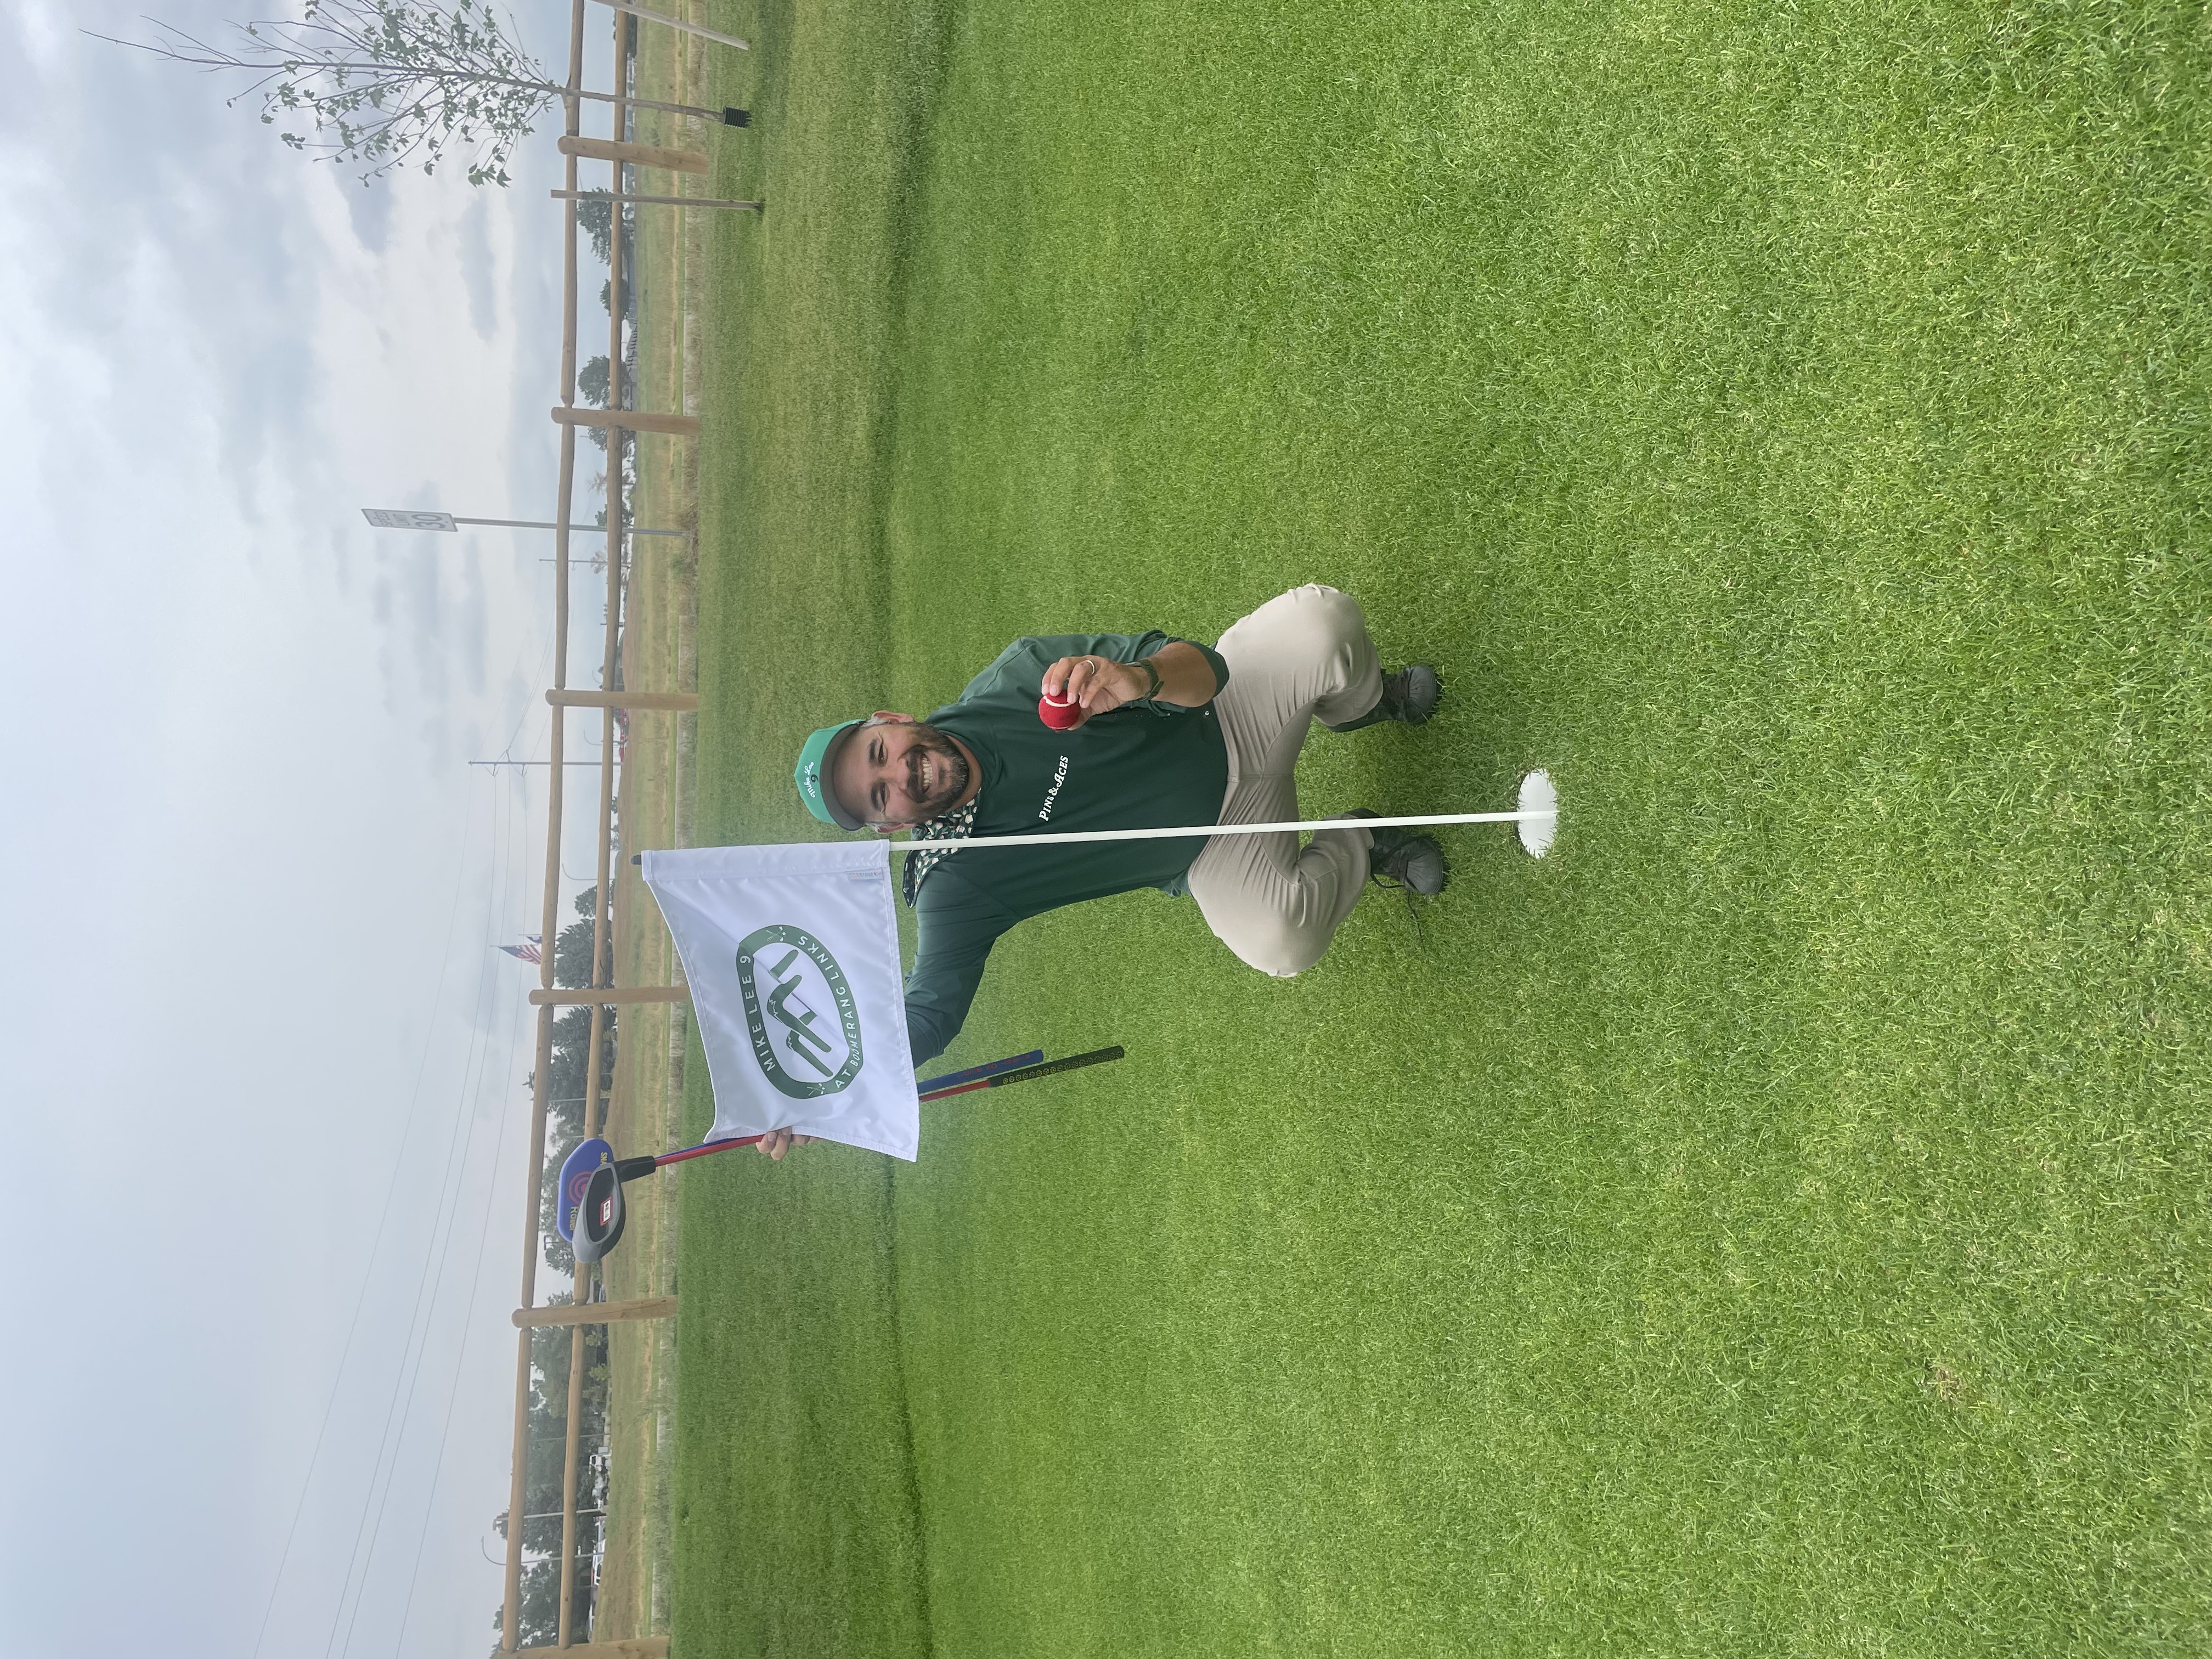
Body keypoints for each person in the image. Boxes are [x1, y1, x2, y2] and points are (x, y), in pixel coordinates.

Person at [761, 585, 1444, 1158]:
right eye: (880, 795)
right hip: (1214, 846)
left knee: (1323, 624)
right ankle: (1366, 840)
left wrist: (1140, 680)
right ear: (889, 827)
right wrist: (834, 1087)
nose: (900, 774)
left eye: (881, 752)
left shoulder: (1023, 676)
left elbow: (1204, 668)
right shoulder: (953, 885)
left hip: (1229, 719)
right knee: (1281, 942)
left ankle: (1366, 704)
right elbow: (931, 1014)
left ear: (892, 719)